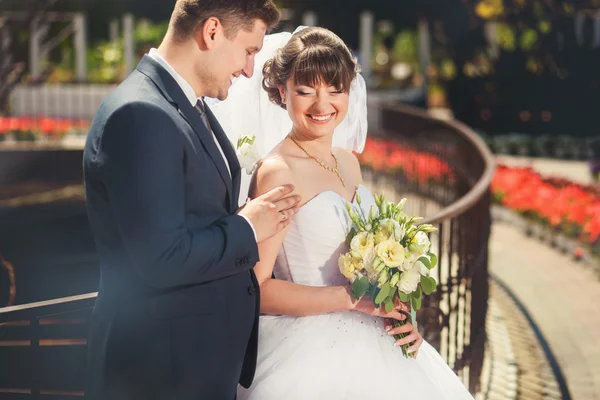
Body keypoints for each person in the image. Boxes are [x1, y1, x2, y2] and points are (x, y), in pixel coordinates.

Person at [211, 27, 476, 399]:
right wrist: (351, 299)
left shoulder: (349, 162)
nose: (322, 105)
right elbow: (258, 289)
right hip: (309, 349)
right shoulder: (279, 171)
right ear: (282, 91)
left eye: (335, 90)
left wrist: (401, 312)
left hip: (376, 336)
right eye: (306, 91)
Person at [82, 1, 301, 399]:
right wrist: (249, 226)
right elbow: (160, 256)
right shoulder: (141, 114)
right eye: (249, 51)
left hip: (193, 363)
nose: (250, 69)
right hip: (158, 372)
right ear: (212, 31)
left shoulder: (186, 105)